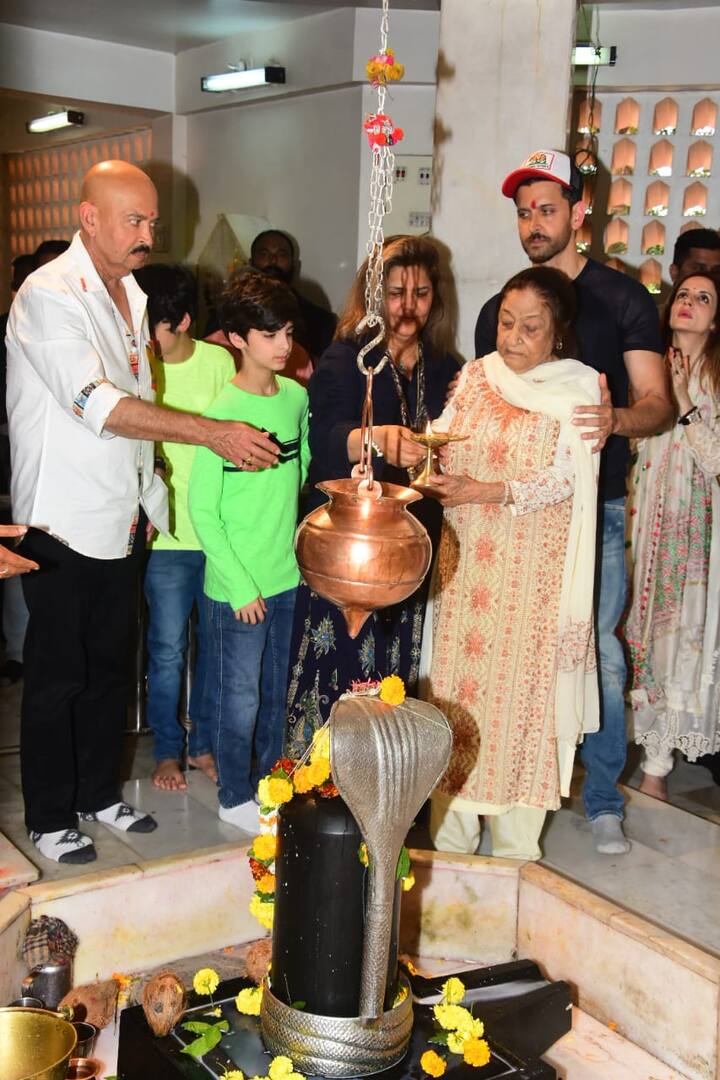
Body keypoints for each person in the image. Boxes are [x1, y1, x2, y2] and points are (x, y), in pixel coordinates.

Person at [6, 160, 281, 864]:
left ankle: (98, 793)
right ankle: (47, 813)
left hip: (123, 516)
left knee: (109, 670)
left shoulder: (131, 292)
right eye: (134, 220)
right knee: (58, 676)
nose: (147, 234)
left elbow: (136, 394)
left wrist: (152, 496)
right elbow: (97, 405)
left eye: (152, 221)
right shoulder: (47, 295)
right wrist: (211, 432)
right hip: (61, 521)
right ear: (89, 217)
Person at [475, 149, 672, 855]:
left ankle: (600, 799)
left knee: (598, 654)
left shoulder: (621, 300)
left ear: (579, 215)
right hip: (515, 515)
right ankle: (501, 783)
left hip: (599, 512)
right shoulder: (506, 304)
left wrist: (616, 420)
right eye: (525, 211)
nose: (534, 223)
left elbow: (659, 403)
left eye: (547, 209)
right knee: (511, 650)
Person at [427, 267, 600, 859]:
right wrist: (420, 452)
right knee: (459, 694)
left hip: (533, 577)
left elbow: (565, 478)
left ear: (557, 334)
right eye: (506, 321)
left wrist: (488, 491)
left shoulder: (577, 391)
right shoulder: (476, 377)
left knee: (521, 699)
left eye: (531, 327)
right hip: (467, 569)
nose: (514, 337)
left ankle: (515, 848)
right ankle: (450, 840)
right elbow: (442, 438)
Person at [285, 235, 460, 756]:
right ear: (372, 296)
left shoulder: (447, 367)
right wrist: (379, 438)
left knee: (393, 673)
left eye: (422, 293)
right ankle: (312, 785)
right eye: (396, 292)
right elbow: (327, 438)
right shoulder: (346, 360)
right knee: (334, 666)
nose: (408, 307)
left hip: (409, 545)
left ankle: (386, 785)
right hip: (347, 547)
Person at [189, 271, 309, 832]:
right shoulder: (218, 411)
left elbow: (299, 478)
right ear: (237, 338)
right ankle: (233, 795)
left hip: (288, 579)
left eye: (287, 331)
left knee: (274, 696)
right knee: (237, 702)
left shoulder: (296, 398)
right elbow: (203, 513)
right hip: (238, 588)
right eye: (269, 334)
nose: (284, 345)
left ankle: (269, 791)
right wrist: (239, 585)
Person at [132, 263, 235, 792]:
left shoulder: (218, 363)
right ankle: (168, 750)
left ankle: (204, 746)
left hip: (218, 535)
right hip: (166, 538)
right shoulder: (135, 366)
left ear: (185, 321)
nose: (147, 341)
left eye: (156, 330)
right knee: (167, 649)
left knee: (216, 649)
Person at [626, 271, 720, 798]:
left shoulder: (714, 378)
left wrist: (685, 403)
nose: (688, 304)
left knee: (675, 638)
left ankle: (657, 766)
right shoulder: (649, 368)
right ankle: (634, 748)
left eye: (703, 298)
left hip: (693, 534)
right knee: (636, 633)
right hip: (643, 521)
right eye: (682, 295)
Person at [250, 228, 337, 361]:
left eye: (282, 254)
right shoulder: (230, 315)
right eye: (264, 254)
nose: (273, 260)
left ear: (294, 265)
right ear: (250, 263)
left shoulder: (320, 320)